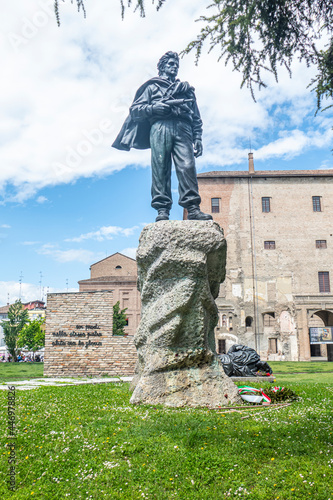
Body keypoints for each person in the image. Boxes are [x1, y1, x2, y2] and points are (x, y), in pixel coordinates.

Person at [113, 51, 213, 222]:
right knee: (160, 168)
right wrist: (154, 109)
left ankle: (193, 208)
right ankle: (162, 209)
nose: (174, 67)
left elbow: (196, 117)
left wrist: (198, 137)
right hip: (160, 127)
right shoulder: (152, 87)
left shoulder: (186, 90)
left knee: (188, 167)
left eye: (176, 65)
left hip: (183, 128)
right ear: (162, 67)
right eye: (171, 64)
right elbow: (135, 110)